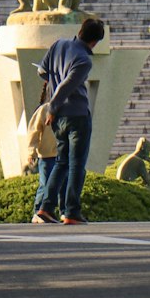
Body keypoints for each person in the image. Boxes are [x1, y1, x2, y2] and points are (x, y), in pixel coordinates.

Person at [35, 15, 106, 225]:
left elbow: (41, 70)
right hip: (77, 115)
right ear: (94, 41)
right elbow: (68, 85)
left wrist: (52, 95)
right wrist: (53, 106)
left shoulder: (59, 44)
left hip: (59, 119)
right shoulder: (84, 60)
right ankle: (71, 210)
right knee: (76, 165)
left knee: (61, 162)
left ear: (81, 31)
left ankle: (46, 208)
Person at [24, 85, 58, 221]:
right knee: (45, 184)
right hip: (47, 155)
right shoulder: (45, 109)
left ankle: (53, 211)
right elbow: (34, 131)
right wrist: (31, 152)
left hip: (61, 155)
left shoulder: (68, 109)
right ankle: (38, 211)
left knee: (60, 185)